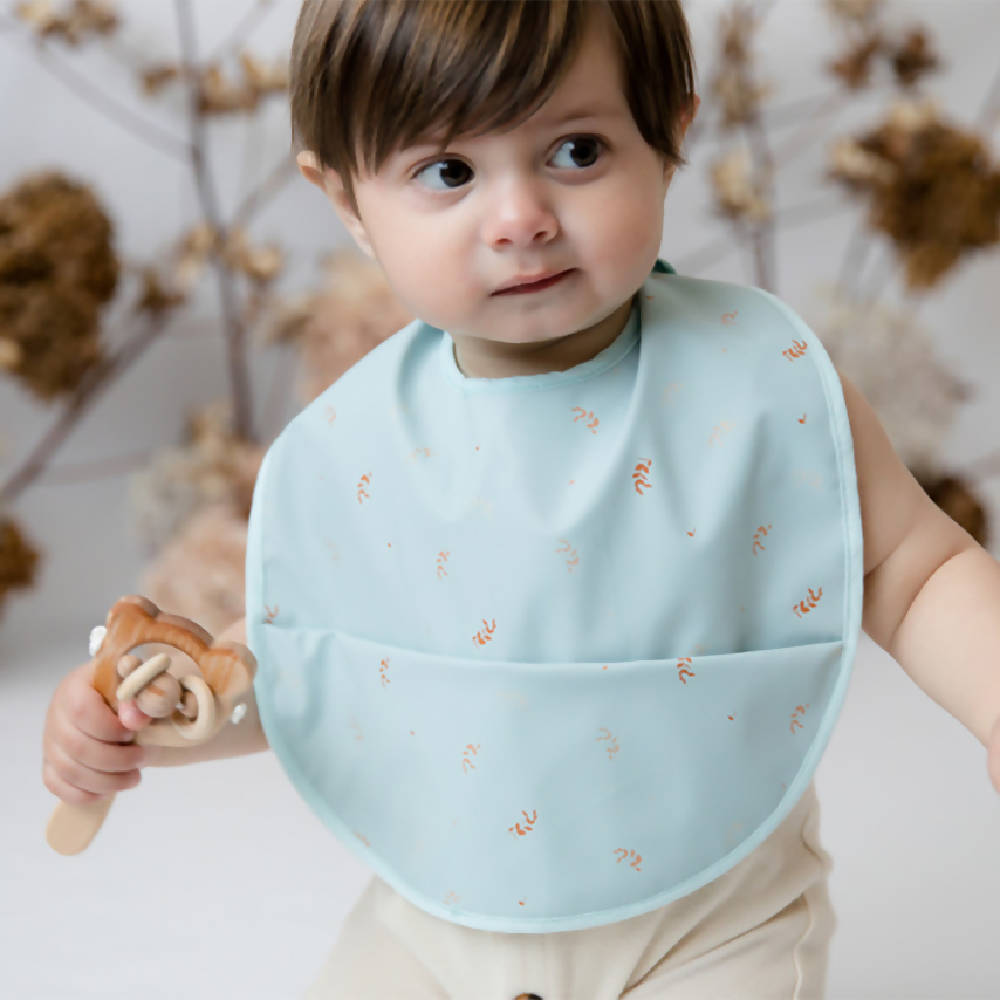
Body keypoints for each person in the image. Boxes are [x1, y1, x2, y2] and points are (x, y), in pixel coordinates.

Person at [42, 2, 1000, 997]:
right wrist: (166, 711)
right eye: (449, 171)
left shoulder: (760, 387)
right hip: (434, 925)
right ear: (346, 199)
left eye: (576, 151)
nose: (520, 218)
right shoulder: (358, 446)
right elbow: (305, 659)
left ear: (668, 135)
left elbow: (914, 567)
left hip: (711, 922)